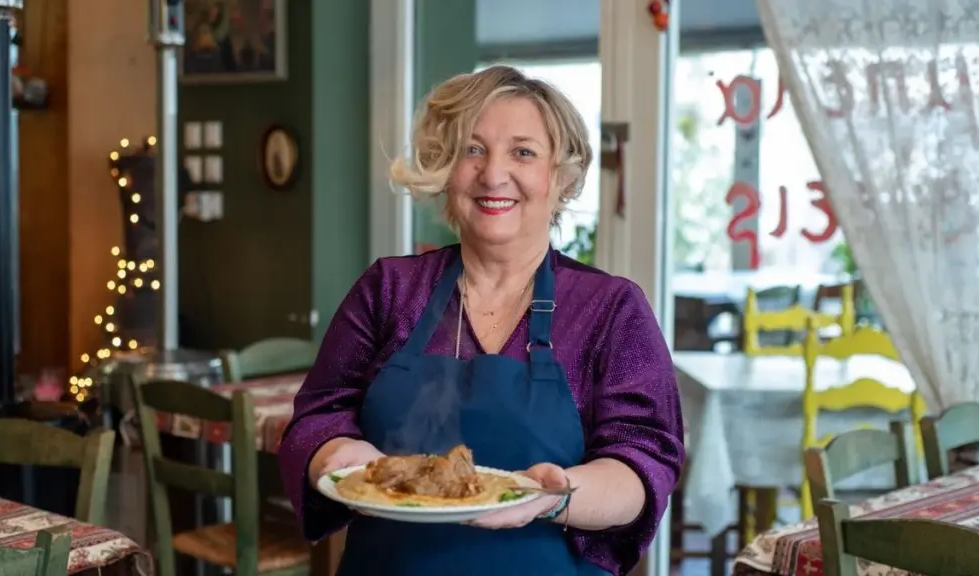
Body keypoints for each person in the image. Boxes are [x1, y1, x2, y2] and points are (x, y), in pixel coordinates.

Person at [279, 65, 684, 576]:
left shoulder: (611, 309)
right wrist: (339, 455)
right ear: (446, 169)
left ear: (561, 177)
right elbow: (317, 417)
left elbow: (643, 462)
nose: (493, 175)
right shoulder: (389, 289)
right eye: (472, 149)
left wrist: (554, 496)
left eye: (523, 152)